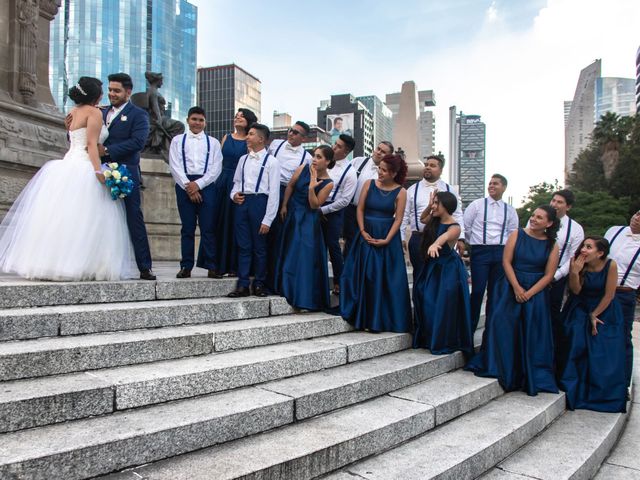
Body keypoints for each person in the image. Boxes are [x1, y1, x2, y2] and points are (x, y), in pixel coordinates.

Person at [0, 77, 136, 281]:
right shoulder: (94, 113)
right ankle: (83, 264)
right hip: (85, 165)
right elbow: (91, 145)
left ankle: (51, 262)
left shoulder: (72, 113)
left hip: (66, 163)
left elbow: (74, 139)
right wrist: (99, 172)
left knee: (60, 218)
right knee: (88, 220)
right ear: (96, 95)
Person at [466, 206, 560, 396]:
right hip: (510, 286)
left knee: (530, 330)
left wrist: (530, 293)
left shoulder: (552, 245)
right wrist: (517, 288)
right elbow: (506, 262)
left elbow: (549, 274)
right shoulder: (517, 234)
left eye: (539, 217)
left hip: (535, 292)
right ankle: (500, 364)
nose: (533, 219)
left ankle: (525, 369)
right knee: (501, 323)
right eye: (533, 215)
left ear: (549, 223)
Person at [340, 154, 411, 333]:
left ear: (394, 173)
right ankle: (362, 315)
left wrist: (387, 239)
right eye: (379, 168)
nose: (380, 172)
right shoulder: (368, 184)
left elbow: (399, 219)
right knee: (364, 275)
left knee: (383, 278)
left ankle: (379, 319)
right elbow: (360, 208)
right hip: (365, 234)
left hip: (387, 237)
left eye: (385, 170)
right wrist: (363, 231)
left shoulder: (401, 192)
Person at [556, 237, 626, 412]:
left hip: (603, 308)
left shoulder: (611, 265)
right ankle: (572, 383)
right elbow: (576, 290)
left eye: (589, 247)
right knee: (575, 336)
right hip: (580, 305)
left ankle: (600, 392)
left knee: (601, 344)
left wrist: (594, 315)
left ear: (600, 253)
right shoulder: (578, 263)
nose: (583, 250)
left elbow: (609, 295)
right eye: (583, 246)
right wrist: (574, 272)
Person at [101, 72, 155, 280]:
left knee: (134, 217)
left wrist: (106, 151)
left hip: (126, 172)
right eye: (110, 90)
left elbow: (137, 143)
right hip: (101, 171)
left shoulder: (138, 115)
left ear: (128, 92)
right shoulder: (102, 112)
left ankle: (145, 266)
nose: (112, 94)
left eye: (117, 90)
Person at [413, 191, 473, 357]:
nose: (434, 206)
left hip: (447, 269)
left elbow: (445, 237)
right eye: (434, 202)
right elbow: (422, 219)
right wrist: (429, 204)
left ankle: (442, 340)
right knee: (424, 298)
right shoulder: (434, 220)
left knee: (440, 304)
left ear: (446, 206)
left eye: (437, 203)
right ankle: (429, 337)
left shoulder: (455, 227)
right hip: (432, 266)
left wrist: (434, 244)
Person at [275, 145, 334, 310]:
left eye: (319, 157)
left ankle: (301, 294)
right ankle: (285, 287)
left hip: (308, 220)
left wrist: (311, 187)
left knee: (302, 256)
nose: (314, 159)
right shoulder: (303, 167)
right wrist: (284, 205)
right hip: (293, 214)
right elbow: (291, 186)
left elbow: (315, 205)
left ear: (327, 161)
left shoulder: (329, 183)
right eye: (314, 155)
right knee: (288, 251)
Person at [168, 106, 223, 279]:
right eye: (194, 119)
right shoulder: (177, 140)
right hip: (184, 185)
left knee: (208, 228)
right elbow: (174, 165)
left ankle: (212, 266)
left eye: (200, 120)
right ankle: (186, 266)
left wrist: (198, 185)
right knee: (187, 228)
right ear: (188, 120)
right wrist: (188, 186)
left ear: (205, 122)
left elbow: (216, 168)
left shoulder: (213, 142)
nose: (197, 123)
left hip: (206, 185)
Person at [227, 123, 280, 298]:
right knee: (243, 246)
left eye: (250, 134)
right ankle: (242, 285)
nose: (247, 137)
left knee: (260, 247)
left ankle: (259, 284)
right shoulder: (243, 160)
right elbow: (236, 183)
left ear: (261, 139)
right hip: (243, 204)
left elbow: (274, 193)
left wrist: (268, 219)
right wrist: (234, 195)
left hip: (260, 203)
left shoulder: (272, 162)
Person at [463, 174, 519, 331]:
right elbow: (466, 227)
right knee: (478, 290)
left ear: (504, 187)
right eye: (490, 183)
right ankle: (470, 327)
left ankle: (491, 330)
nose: (491, 186)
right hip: (481, 250)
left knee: (495, 293)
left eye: (496, 183)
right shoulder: (477, 205)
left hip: (501, 252)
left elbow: (513, 233)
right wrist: (475, 242)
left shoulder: (510, 210)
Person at [401, 155, 464, 278]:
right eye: (426, 165)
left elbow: (458, 214)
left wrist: (461, 238)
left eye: (432, 165)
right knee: (419, 276)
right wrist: (402, 237)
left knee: (438, 276)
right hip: (418, 238)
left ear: (440, 170)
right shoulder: (412, 189)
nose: (428, 167)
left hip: (442, 238)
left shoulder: (450, 189)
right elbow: (404, 215)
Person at [266, 121, 312, 291]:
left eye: (296, 132)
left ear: (304, 138)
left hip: (286, 192)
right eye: (290, 130)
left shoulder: (306, 158)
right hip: (267, 187)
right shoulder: (276, 145)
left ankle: (274, 276)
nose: (291, 134)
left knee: (278, 234)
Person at [214, 108, 257, 276]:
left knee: (234, 225)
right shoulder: (226, 137)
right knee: (219, 222)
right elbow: (218, 162)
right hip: (222, 181)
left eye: (241, 116)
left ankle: (233, 266)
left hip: (238, 184)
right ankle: (217, 265)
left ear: (248, 121)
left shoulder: (250, 141)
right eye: (236, 116)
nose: (237, 118)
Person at [605, 210, 640, 388]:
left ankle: (623, 383)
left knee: (622, 338)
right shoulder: (614, 230)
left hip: (623, 294)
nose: (637, 218)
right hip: (600, 290)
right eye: (637, 213)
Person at [343, 141, 394, 256]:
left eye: (384, 152)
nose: (379, 152)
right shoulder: (358, 161)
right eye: (378, 149)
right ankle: (347, 270)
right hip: (350, 210)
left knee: (364, 243)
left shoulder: (387, 175)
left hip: (369, 214)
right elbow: (344, 178)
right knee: (349, 242)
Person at [321, 134, 357, 295]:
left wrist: (323, 210)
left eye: (339, 146)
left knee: (332, 245)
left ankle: (338, 281)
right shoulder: (325, 161)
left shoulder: (350, 172)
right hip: (316, 204)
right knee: (315, 244)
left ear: (347, 151)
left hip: (333, 211)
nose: (334, 147)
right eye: (335, 144)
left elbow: (345, 200)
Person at [547, 189, 584, 349]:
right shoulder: (538, 218)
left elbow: (572, 258)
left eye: (559, 202)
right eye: (553, 200)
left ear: (568, 207)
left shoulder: (576, 229)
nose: (554, 204)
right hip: (534, 273)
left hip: (557, 278)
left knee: (553, 314)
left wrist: (554, 276)